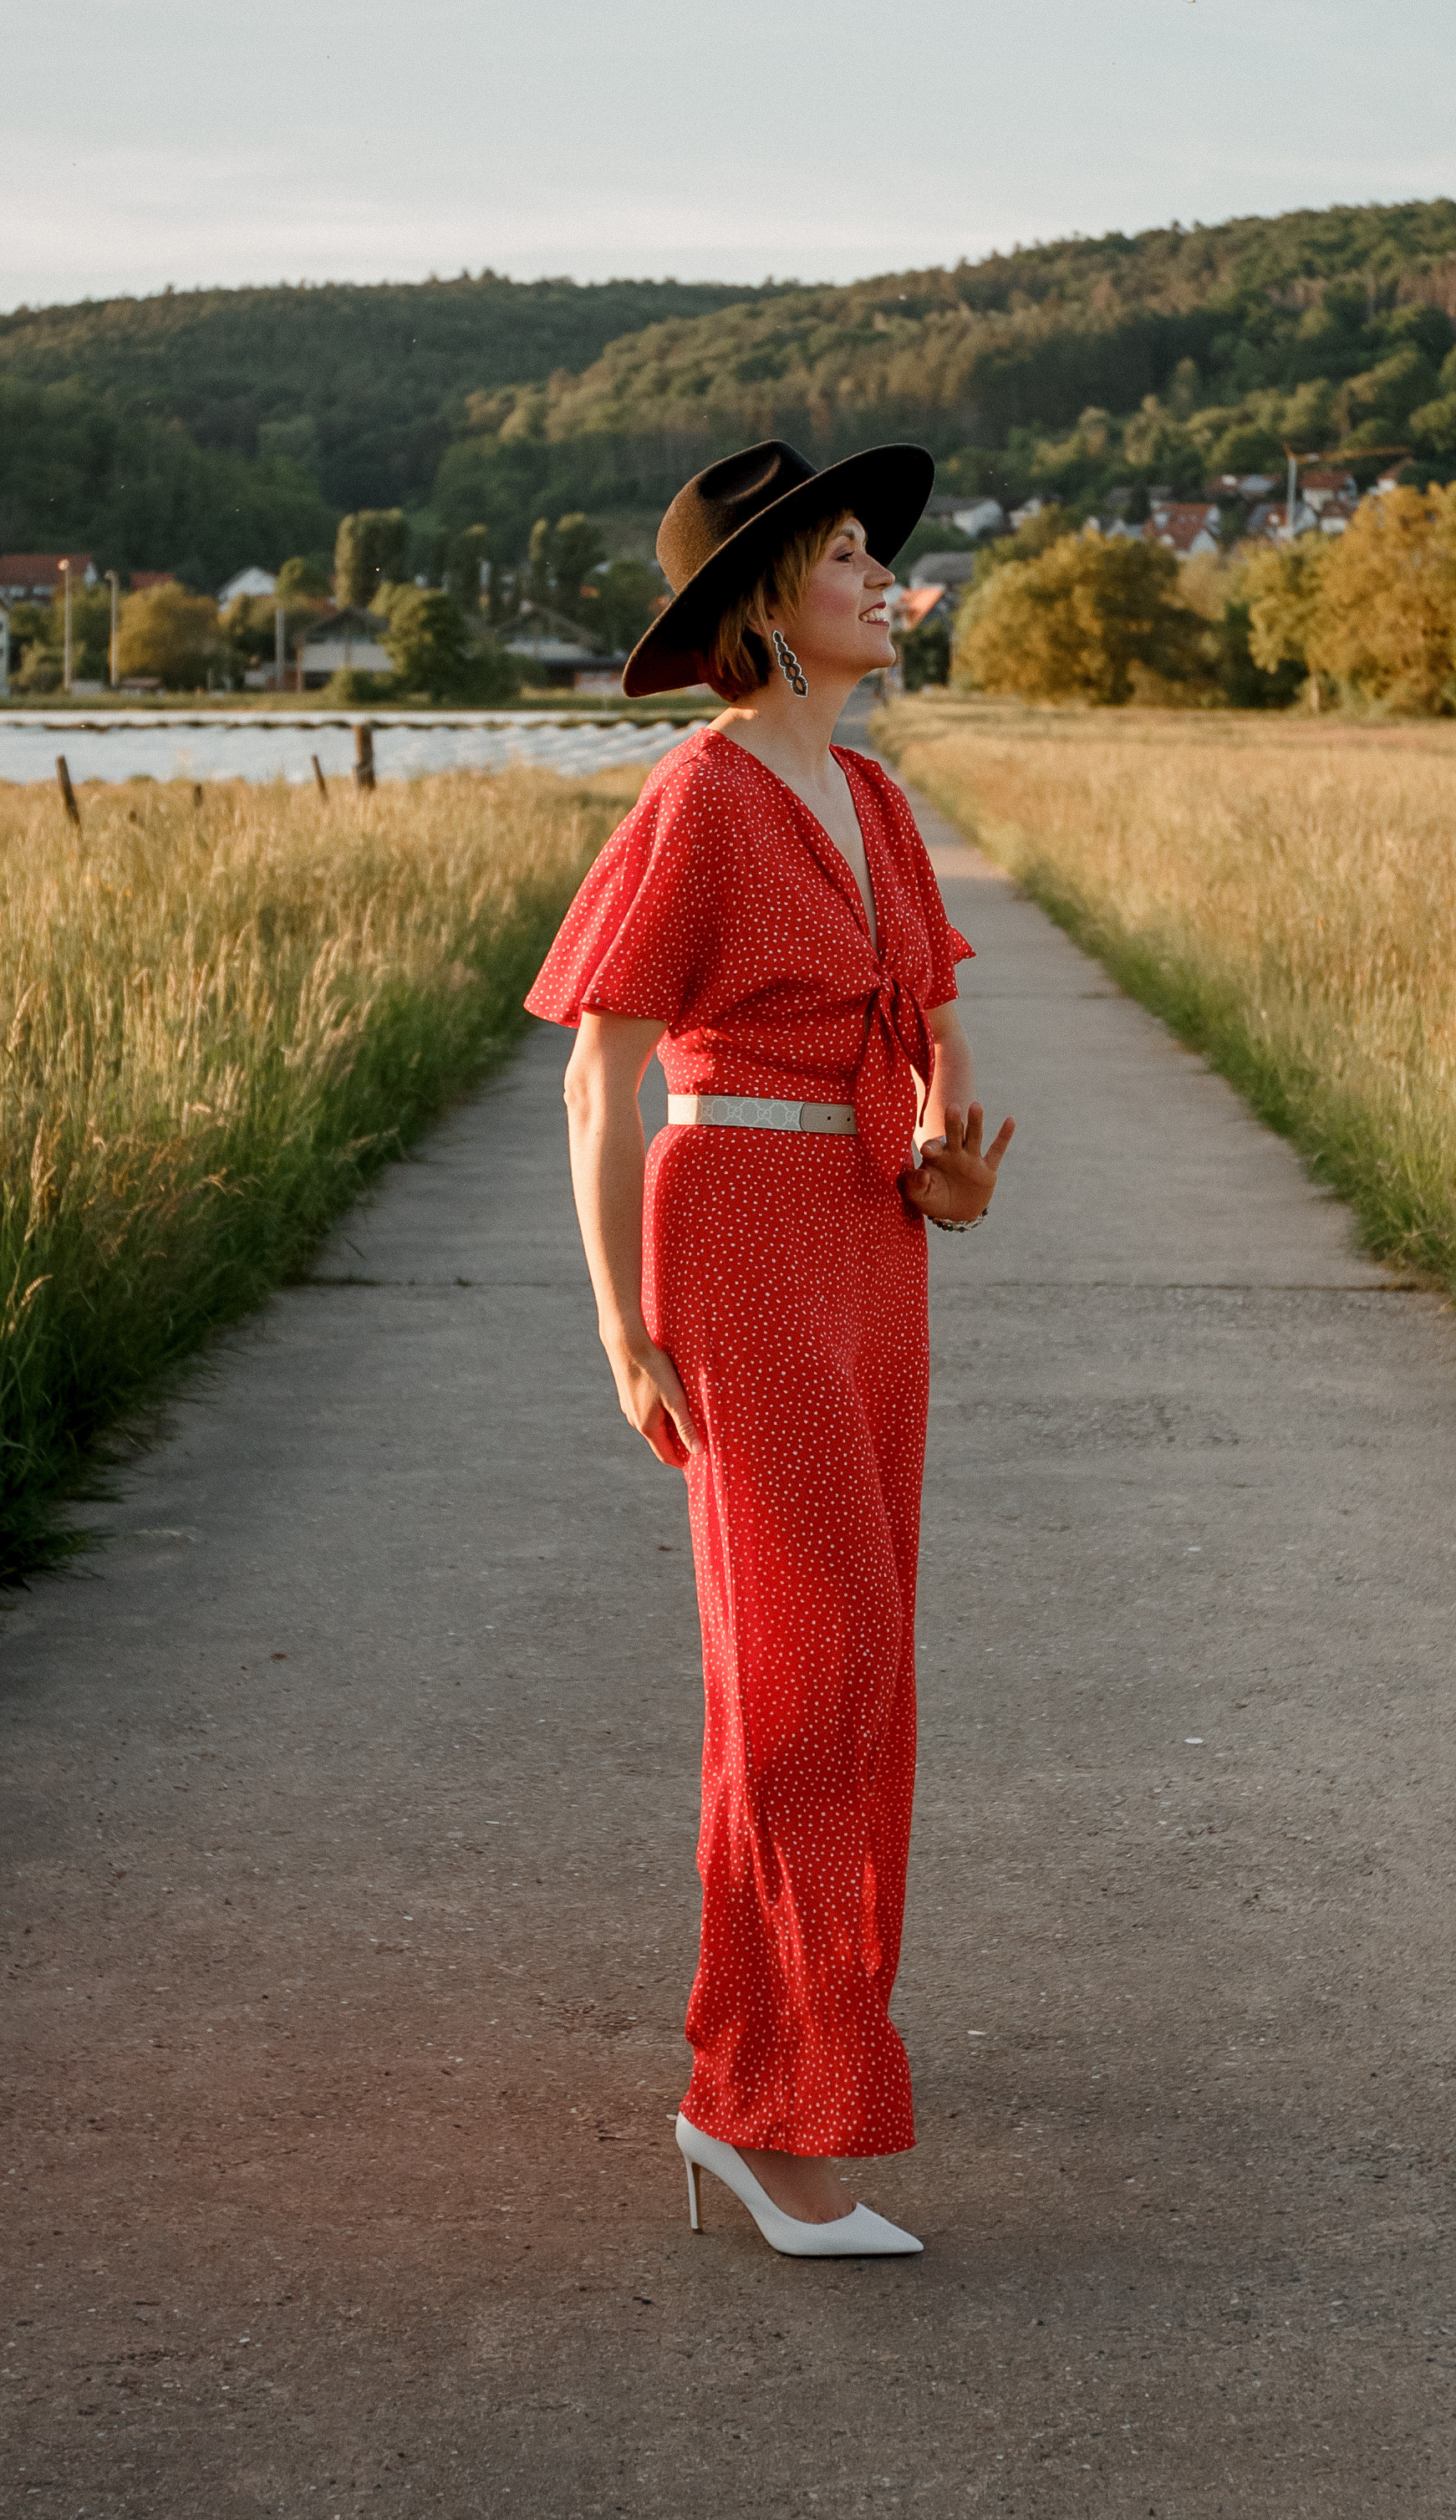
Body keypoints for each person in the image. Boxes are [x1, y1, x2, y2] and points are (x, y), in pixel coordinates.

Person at [525, 437, 1013, 2260]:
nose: (883, 577)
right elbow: (601, 1067)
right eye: (841, 558)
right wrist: (618, 1316)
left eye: (879, 555)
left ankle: (803, 2047)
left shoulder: (877, 805)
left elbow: (937, 1050)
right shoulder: (701, 799)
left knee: (859, 1669)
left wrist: (948, 1169)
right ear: (759, 608)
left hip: (871, 1250)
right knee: (809, 1669)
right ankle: (762, 2109)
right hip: (732, 1238)